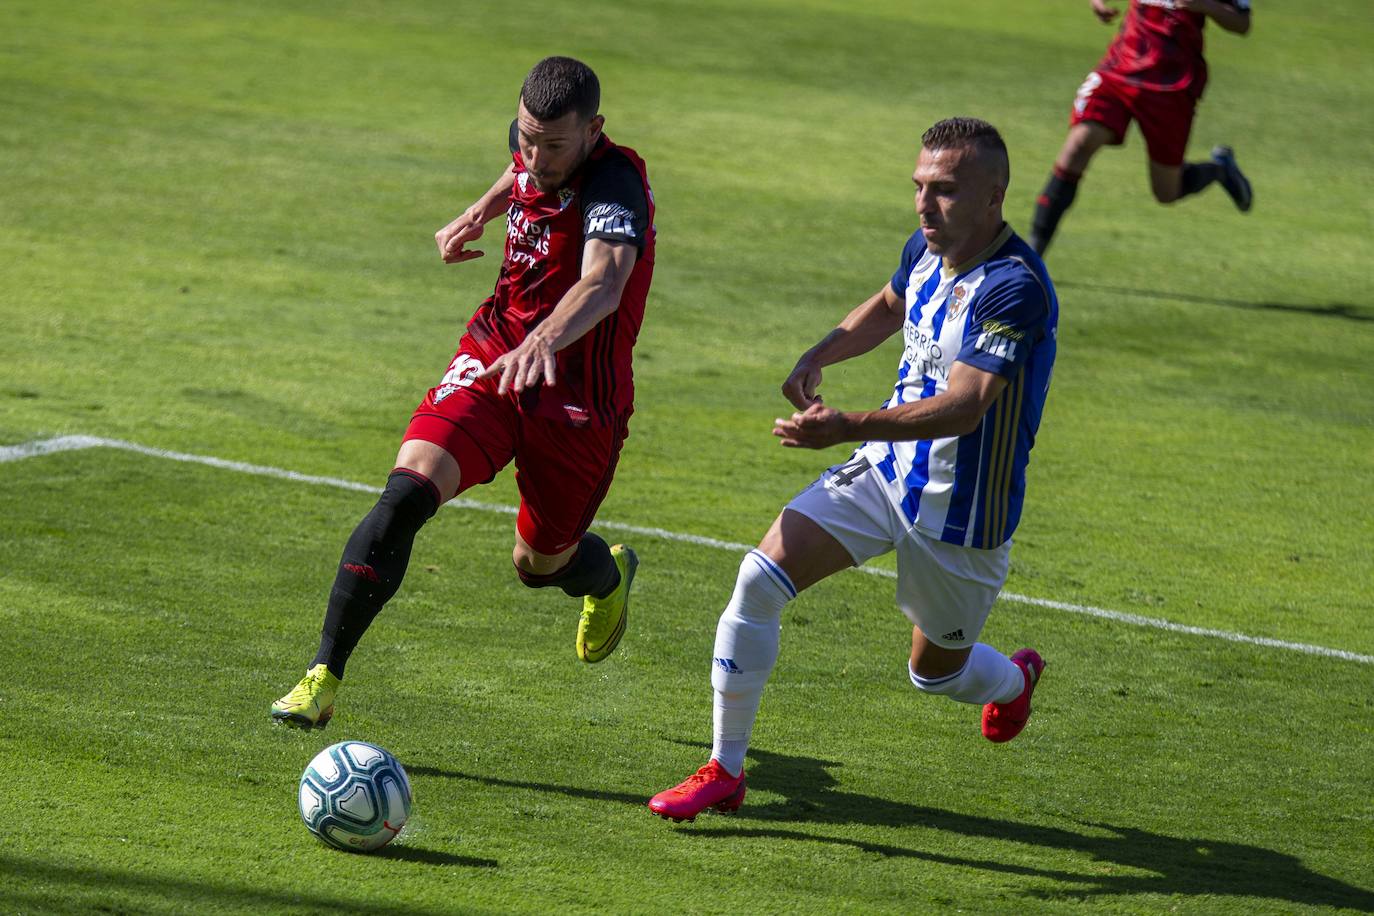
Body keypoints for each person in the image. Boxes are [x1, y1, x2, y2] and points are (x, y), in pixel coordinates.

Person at [648, 118, 1057, 822]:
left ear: (994, 196)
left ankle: (1011, 683)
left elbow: (964, 407)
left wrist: (848, 424)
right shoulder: (927, 249)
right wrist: (822, 352)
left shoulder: (1013, 289)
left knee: (936, 676)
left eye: (947, 191)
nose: (926, 206)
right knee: (757, 579)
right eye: (920, 188)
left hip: (961, 514)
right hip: (883, 473)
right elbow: (892, 303)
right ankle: (724, 768)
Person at [272, 56, 655, 729]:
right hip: (494, 351)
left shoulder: (617, 184)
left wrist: (547, 340)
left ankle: (606, 578)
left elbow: (605, 281)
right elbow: (521, 171)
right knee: (407, 491)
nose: (535, 156)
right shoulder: (534, 144)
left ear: (594, 130)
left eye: (553, 144)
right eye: (526, 137)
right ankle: (322, 676)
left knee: (540, 564)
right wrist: (479, 210)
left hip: (577, 397)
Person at [1029, 0, 1253, 256]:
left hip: (1171, 86)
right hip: (1119, 68)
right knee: (1077, 146)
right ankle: (1031, 263)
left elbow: (1242, 23)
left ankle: (1220, 171)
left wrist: (1203, 5)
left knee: (1166, 191)